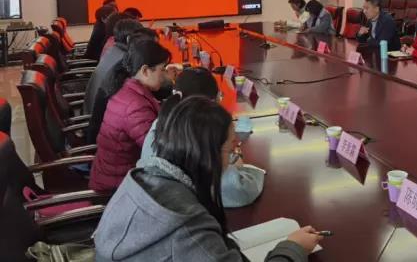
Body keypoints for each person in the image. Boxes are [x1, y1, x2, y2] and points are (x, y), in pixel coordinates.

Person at [94, 96, 322, 261]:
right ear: (207, 154)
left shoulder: (143, 176)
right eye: (230, 149)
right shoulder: (185, 226)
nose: (233, 154)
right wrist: (293, 248)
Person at [139, 67, 265, 208]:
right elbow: (240, 190)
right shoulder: (194, 136)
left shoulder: (163, 121)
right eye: (218, 98)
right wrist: (236, 160)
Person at [89, 39, 172, 192]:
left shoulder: (127, 88)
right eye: (163, 69)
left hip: (113, 176)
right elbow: (159, 153)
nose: (164, 75)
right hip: (118, 188)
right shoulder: (135, 106)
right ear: (145, 70)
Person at [83, 18, 143, 114]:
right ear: (129, 39)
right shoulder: (125, 60)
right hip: (102, 116)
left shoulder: (113, 50)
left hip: (93, 110)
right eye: (141, 38)